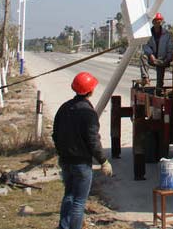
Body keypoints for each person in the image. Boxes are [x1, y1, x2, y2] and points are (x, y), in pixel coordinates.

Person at [53, 71, 113, 229]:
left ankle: (63, 226)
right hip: (81, 164)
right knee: (78, 203)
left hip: (66, 161)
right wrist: (103, 161)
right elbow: (93, 141)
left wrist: (62, 152)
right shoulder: (88, 113)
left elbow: (55, 134)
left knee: (69, 195)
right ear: (90, 90)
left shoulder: (64, 108)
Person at [140, 12, 173, 88]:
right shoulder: (149, 33)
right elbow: (145, 45)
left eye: (159, 21)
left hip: (162, 60)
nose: (158, 23)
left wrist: (167, 59)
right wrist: (150, 54)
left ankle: (159, 89)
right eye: (156, 21)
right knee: (143, 56)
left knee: (159, 81)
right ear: (153, 22)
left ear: (161, 22)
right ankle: (145, 77)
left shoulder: (167, 34)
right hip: (152, 59)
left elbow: (170, 48)